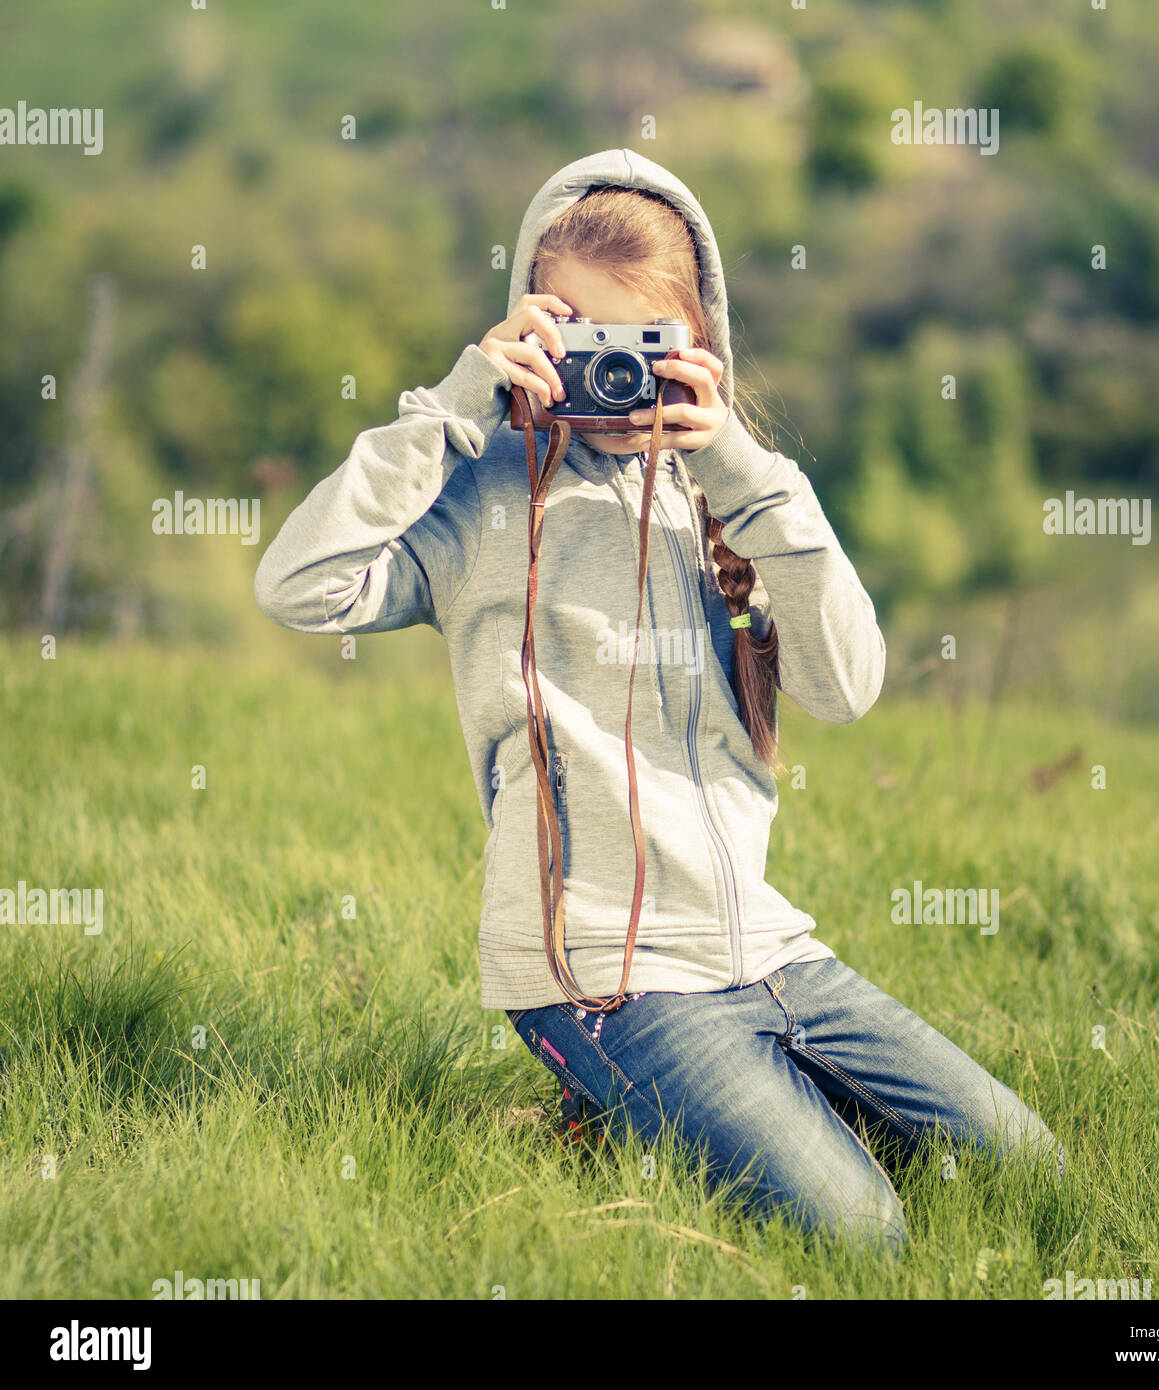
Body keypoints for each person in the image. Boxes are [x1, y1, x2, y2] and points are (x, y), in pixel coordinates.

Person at [255, 148, 1062, 1255]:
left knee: (1027, 1171)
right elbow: (298, 583)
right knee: (859, 1235)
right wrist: (453, 407)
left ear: (696, 348)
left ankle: (709, 1104)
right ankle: (640, 1095)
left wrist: (740, 466)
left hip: (772, 955)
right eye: (576, 338)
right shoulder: (480, 494)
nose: (609, 375)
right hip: (601, 977)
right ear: (528, 329)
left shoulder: (723, 496)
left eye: (638, 346)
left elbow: (849, 683)